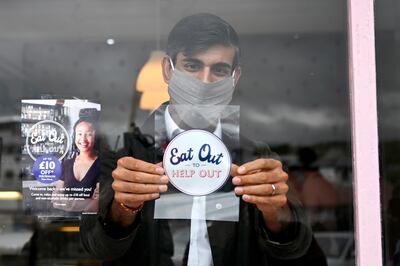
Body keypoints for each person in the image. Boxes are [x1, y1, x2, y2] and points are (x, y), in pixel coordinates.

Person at [80, 13, 327, 265]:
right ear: (168, 69)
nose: (205, 81)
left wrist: (276, 211)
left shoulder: (256, 159)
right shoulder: (125, 156)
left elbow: (300, 251)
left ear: (235, 77)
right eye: (192, 66)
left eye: (219, 69)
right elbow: (96, 246)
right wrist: (123, 207)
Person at [53, 115, 100, 213]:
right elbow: (56, 200)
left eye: (89, 134)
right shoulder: (66, 164)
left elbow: (96, 205)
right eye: (79, 134)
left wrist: (68, 203)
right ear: (74, 136)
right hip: (64, 221)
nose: (83, 139)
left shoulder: (101, 165)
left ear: (95, 136)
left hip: (89, 223)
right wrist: (86, 202)